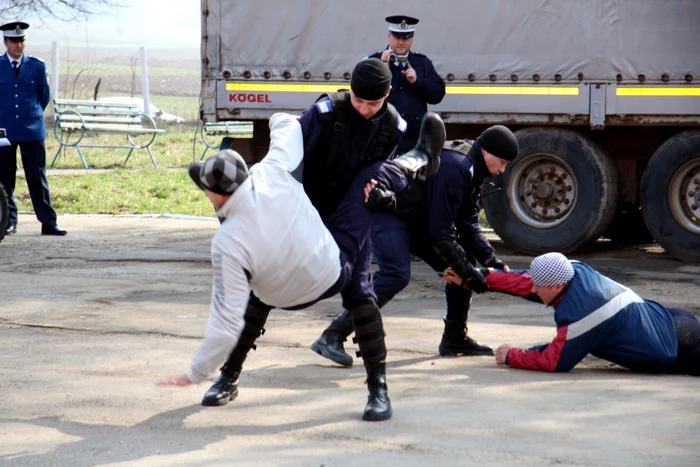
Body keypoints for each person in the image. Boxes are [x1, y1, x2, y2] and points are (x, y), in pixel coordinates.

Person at [157, 76, 446, 421]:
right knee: (261, 287)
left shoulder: (392, 125)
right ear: (349, 91)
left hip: (348, 218)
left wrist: (385, 199)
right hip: (306, 210)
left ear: (386, 95)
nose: (365, 110)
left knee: (362, 295)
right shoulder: (326, 114)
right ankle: (228, 376)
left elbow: (377, 171)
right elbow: (290, 141)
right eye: (358, 101)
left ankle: (378, 389)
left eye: (373, 103)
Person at [311, 127, 519, 367]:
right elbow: (441, 234)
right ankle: (332, 335)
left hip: (418, 219)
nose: (502, 170)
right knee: (397, 274)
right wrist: (468, 274)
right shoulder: (457, 167)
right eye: (502, 162)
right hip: (392, 213)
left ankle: (454, 338)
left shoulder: (474, 168)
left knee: (463, 267)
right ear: (486, 152)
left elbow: (467, 222)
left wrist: (489, 259)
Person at [443, 252, 700, 376]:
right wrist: (477, 278)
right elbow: (525, 281)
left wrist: (512, 355)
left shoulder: (583, 316)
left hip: (680, 350)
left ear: (555, 286)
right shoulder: (574, 269)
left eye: (538, 286)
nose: (532, 290)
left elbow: (555, 360)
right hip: (672, 318)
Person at [0, 21, 66, 236]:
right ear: (5, 42)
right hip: (5, 128)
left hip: (31, 128)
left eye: (22, 41)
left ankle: (48, 222)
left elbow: (43, 96)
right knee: (4, 178)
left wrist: (32, 114)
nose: (18, 45)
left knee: (37, 176)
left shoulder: (37, 66)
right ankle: (8, 222)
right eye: (14, 41)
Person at [369, 15, 446, 154]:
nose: (401, 42)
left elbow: (438, 95)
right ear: (389, 36)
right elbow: (362, 93)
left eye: (406, 38)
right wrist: (382, 69)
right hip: (381, 139)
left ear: (412, 39)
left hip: (413, 141)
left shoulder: (422, 63)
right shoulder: (374, 61)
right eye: (397, 37)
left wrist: (418, 81)